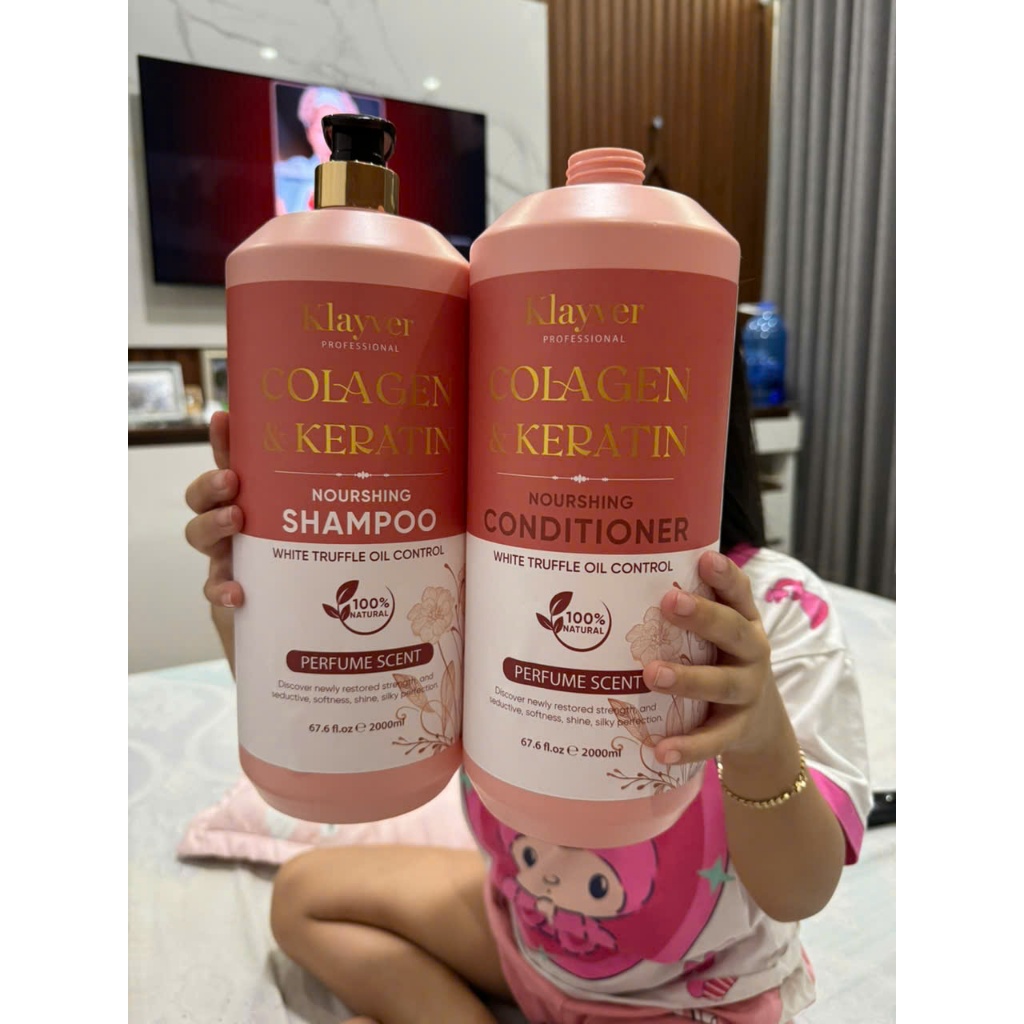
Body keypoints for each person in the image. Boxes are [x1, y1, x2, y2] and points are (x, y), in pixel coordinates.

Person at [183, 337, 871, 1024]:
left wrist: (758, 738)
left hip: (689, 997)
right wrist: (257, 596)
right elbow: (325, 731)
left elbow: (798, 890)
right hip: (524, 934)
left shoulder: (768, 608)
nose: (573, 441)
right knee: (302, 896)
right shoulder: (479, 571)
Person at [274, 86, 361, 215]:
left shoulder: (362, 182)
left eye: (338, 131)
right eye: (321, 132)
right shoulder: (286, 177)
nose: (330, 142)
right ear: (308, 133)